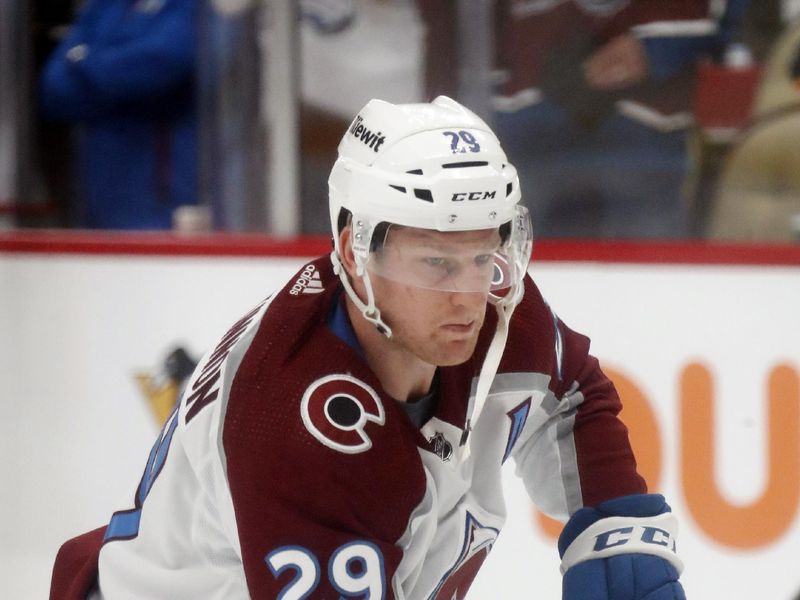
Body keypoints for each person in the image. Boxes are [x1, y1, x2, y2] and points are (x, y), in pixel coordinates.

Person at [50, 97, 685, 599]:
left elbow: (571, 392)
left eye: (484, 254)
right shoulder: (296, 424)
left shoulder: (494, 303)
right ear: (355, 251)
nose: (469, 296)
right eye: (437, 262)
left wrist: (615, 540)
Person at [417, 0, 748, 240]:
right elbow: (453, 26)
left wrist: (662, 45)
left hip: (644, 145)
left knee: (653, 299)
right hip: (530, 138)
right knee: (529, 304)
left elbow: (742, 19)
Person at [38, 0, 198, 230]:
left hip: (166, 211)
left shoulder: (194, 7)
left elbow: (159, 65)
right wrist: (113, 73)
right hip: (98, 207)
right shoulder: (106, 5)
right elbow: (54, 89)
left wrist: (83, 61)